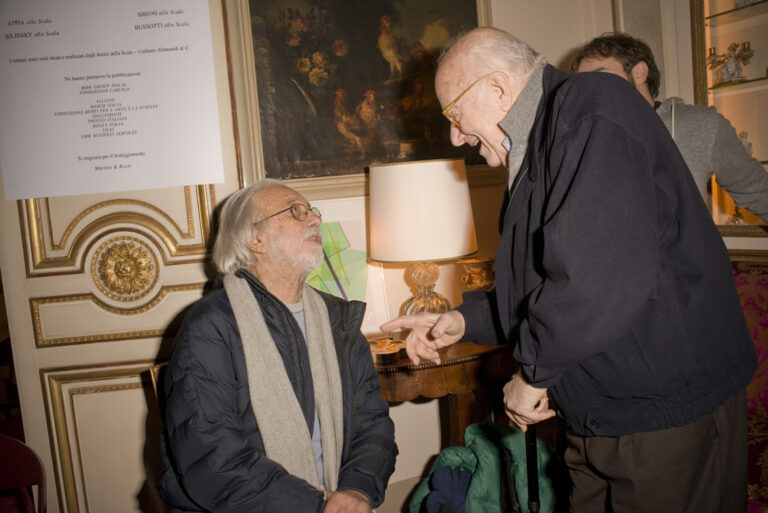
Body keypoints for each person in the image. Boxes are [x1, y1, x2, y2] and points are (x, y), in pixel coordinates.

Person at [381, 27, 757, 513]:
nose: (456, 134)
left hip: (662, 419)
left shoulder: (592, 104)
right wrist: (461, 320)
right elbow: (540, 283)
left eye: (455, 114)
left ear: (496, 88)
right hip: (602, 417)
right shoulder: (545, 139)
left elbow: (596, 278)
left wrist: (533, 375)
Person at [158, 179, 397, 513]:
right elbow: (212, 455)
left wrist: (357, 489)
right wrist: (315, 505)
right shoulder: (211, 325)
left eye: (312, 211)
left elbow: (373, 423)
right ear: (255, 239)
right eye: (296, 211)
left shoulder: (337, 319)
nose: (315, 219)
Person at [572, 32, 768, 223]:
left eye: (601, 78)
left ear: (639, 72)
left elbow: (759, 193)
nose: (591, 91)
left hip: (684, 256)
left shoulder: (700, 125)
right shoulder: (585, 136)